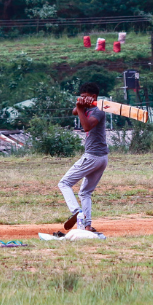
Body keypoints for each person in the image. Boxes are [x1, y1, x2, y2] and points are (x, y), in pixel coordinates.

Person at [59, 82, 108, 237]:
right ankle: (87, 226)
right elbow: (75, 111)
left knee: (64, 183)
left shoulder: (99, 111)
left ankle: (77, 212)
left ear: (93, 97)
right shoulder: (88, 106)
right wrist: (81, 104)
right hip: (101, 157)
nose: (82, 99)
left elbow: (87, 127)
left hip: (93, 156)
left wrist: (81, 107)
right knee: (85, 192)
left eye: (85, 96)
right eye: (81, 96)